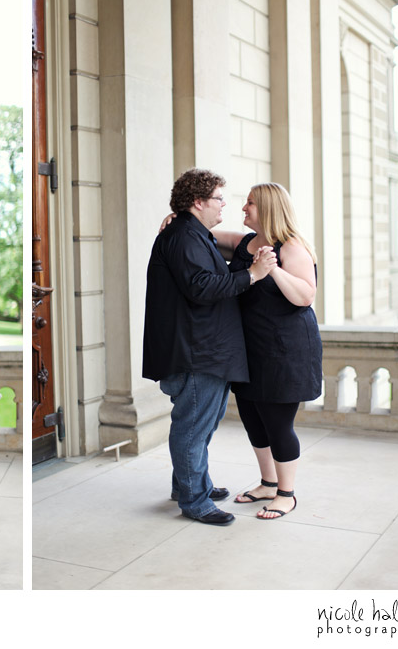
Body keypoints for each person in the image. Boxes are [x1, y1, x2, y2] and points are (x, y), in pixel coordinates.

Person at [161, 182, 321, 519]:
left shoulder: (292, 248)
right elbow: (207, 235)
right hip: (250, 349)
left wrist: (272, 268)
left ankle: (286, 493)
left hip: (285, 349)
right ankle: (267, 482)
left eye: (250, 204)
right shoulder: (246, 242)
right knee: (252, 418)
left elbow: (305, 296)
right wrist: (178, 218)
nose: (243, 208)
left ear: (268, 209)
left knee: (278, 423)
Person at [143, 169, 277, 527]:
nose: (224, 205)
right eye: (219, 198)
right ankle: (194, 500)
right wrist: (253, 274)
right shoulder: (184, 236)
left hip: (205, 350)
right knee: (192, 428)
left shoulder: (191, 233)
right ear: (198, 202)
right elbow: (202, 287)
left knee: (200, 425)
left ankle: (188, 484)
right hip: (195, 353)